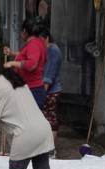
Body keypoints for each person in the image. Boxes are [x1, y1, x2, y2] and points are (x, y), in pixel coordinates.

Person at [3, 17, 47, 109]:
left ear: (24, 31)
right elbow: (25, 55)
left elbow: (32, 64)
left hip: (33, 90)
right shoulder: (36, 43)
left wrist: (12, 63)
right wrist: (11, 53)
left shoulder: (34, 44)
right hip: (32, 88)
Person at [40, 28, 63, 159]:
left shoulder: (53, 52)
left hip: (50, 91)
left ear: (47, 38)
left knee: (50, 118)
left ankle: (50, 149)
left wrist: (42, 93)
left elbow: (49, 76)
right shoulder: (45, 50)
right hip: (44, 89)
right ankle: (44, 147)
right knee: (44, 118)